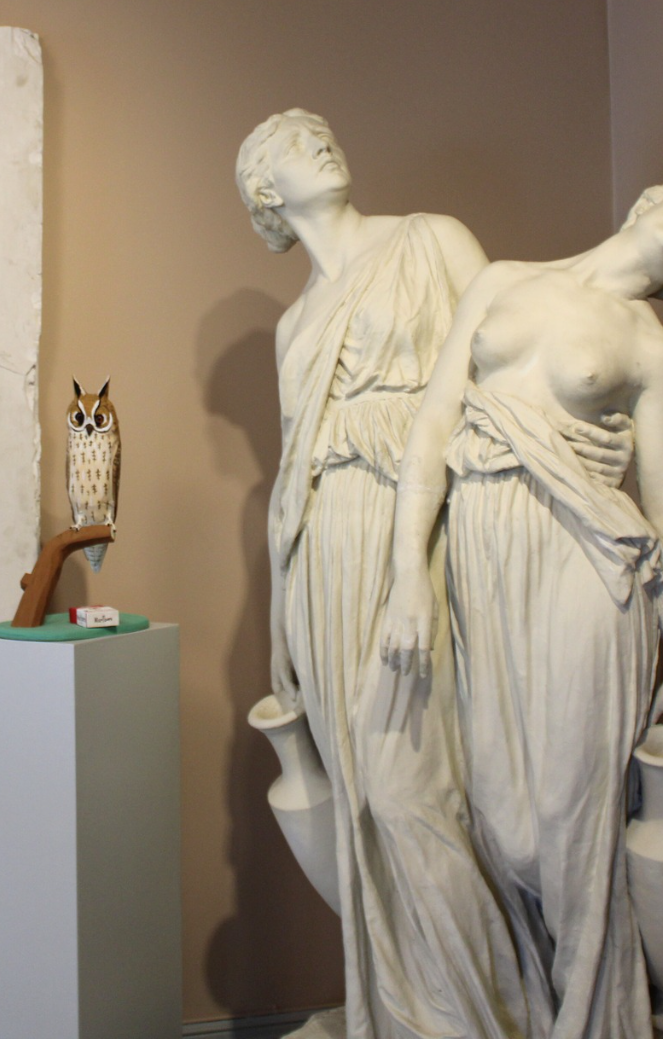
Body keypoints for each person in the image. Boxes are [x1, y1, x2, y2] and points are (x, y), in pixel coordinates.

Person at [383, 182, 663, 1039]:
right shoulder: (502, 278)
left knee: (572, 815)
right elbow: (430, 428)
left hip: (591, 561)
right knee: (504, 816)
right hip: (485, 553)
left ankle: (591, 1021)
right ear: (647, 202)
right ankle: (529, 1009)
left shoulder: (652, 348)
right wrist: (405, 576)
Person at [238, 109, 546, 1039]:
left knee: (421, 789)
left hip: (420, 537)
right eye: (296, 142)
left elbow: (502, 375)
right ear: (266, 191)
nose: (322, 142)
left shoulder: (431, 239)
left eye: (323, 131)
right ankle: (412, 1008)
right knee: (369, 801)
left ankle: (485, 1015)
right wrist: (280, 625)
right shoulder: (295, 326)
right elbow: (290, 482)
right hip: (327, 561)